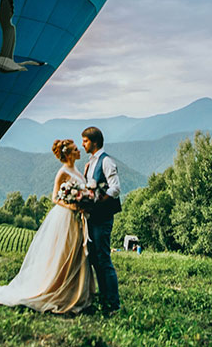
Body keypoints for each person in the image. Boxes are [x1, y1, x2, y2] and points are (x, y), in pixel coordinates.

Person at [0, 139, 94, 314]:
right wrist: (71, 204)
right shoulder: (62, 172)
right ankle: (56, 289)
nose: (79, 150)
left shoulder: (77, 170)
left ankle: (74, 291)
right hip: (65, 217)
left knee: (75, 253)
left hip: (77, 219)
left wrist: (84, 200)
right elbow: (55, 198)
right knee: (63, 253)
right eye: (75, 149)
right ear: (68, 154)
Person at [82, 126, 121, 315]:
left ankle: (113, 303)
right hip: (91, 218)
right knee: (95, 258)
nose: (83, 144)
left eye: (85, 141)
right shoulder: (90, 163)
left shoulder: (106, 162)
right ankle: (104, 297)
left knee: (104, 258)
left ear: (94, 142)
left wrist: (98, 203)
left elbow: (115, 188)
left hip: (102, 218)